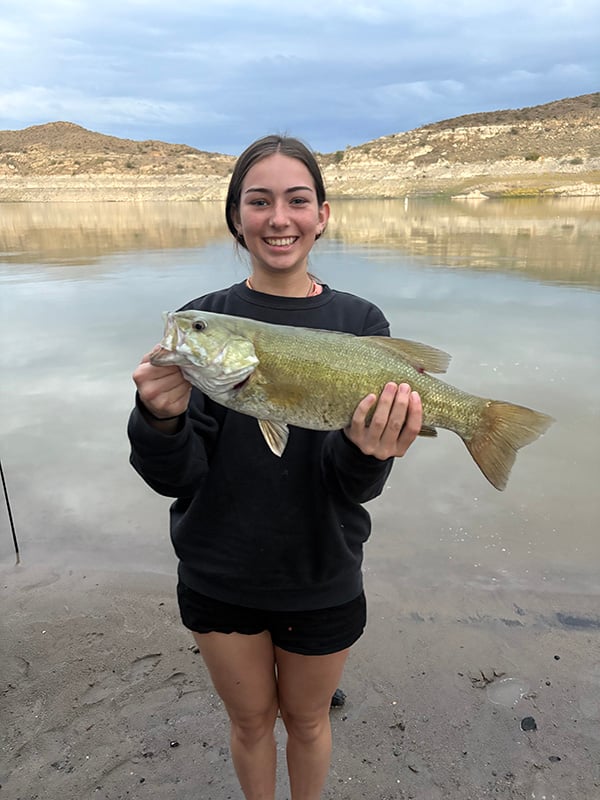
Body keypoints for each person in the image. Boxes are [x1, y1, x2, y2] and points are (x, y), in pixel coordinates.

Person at [127, 134, 423, 800]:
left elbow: (355, 488)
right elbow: (176, 477)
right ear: (237, 216)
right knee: (251, 721)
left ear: (323, 214)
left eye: (297, 200)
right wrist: (160, 420)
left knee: (309, 720)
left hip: (321, 570)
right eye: (259, 202)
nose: (278, 218)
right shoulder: (210, 321)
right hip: (218, 571)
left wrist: (367, 450)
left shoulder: (360, 321)